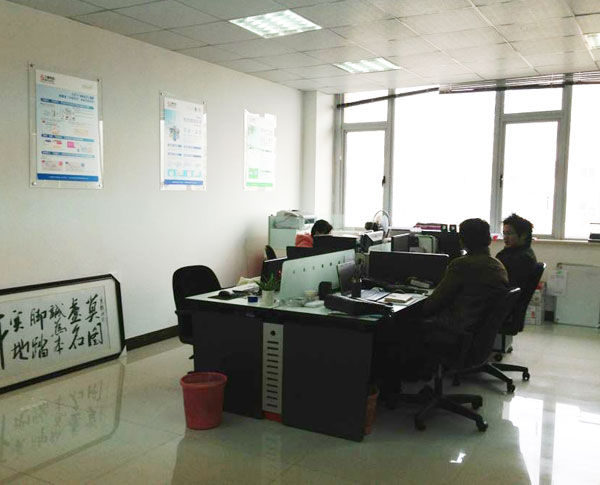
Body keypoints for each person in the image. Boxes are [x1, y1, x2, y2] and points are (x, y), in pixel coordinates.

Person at [495, 213, 537, 291]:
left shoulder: (522, 258)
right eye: (504, 233)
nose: (505, 237)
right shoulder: (518, 252)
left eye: (509, 233)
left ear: (523, 235)